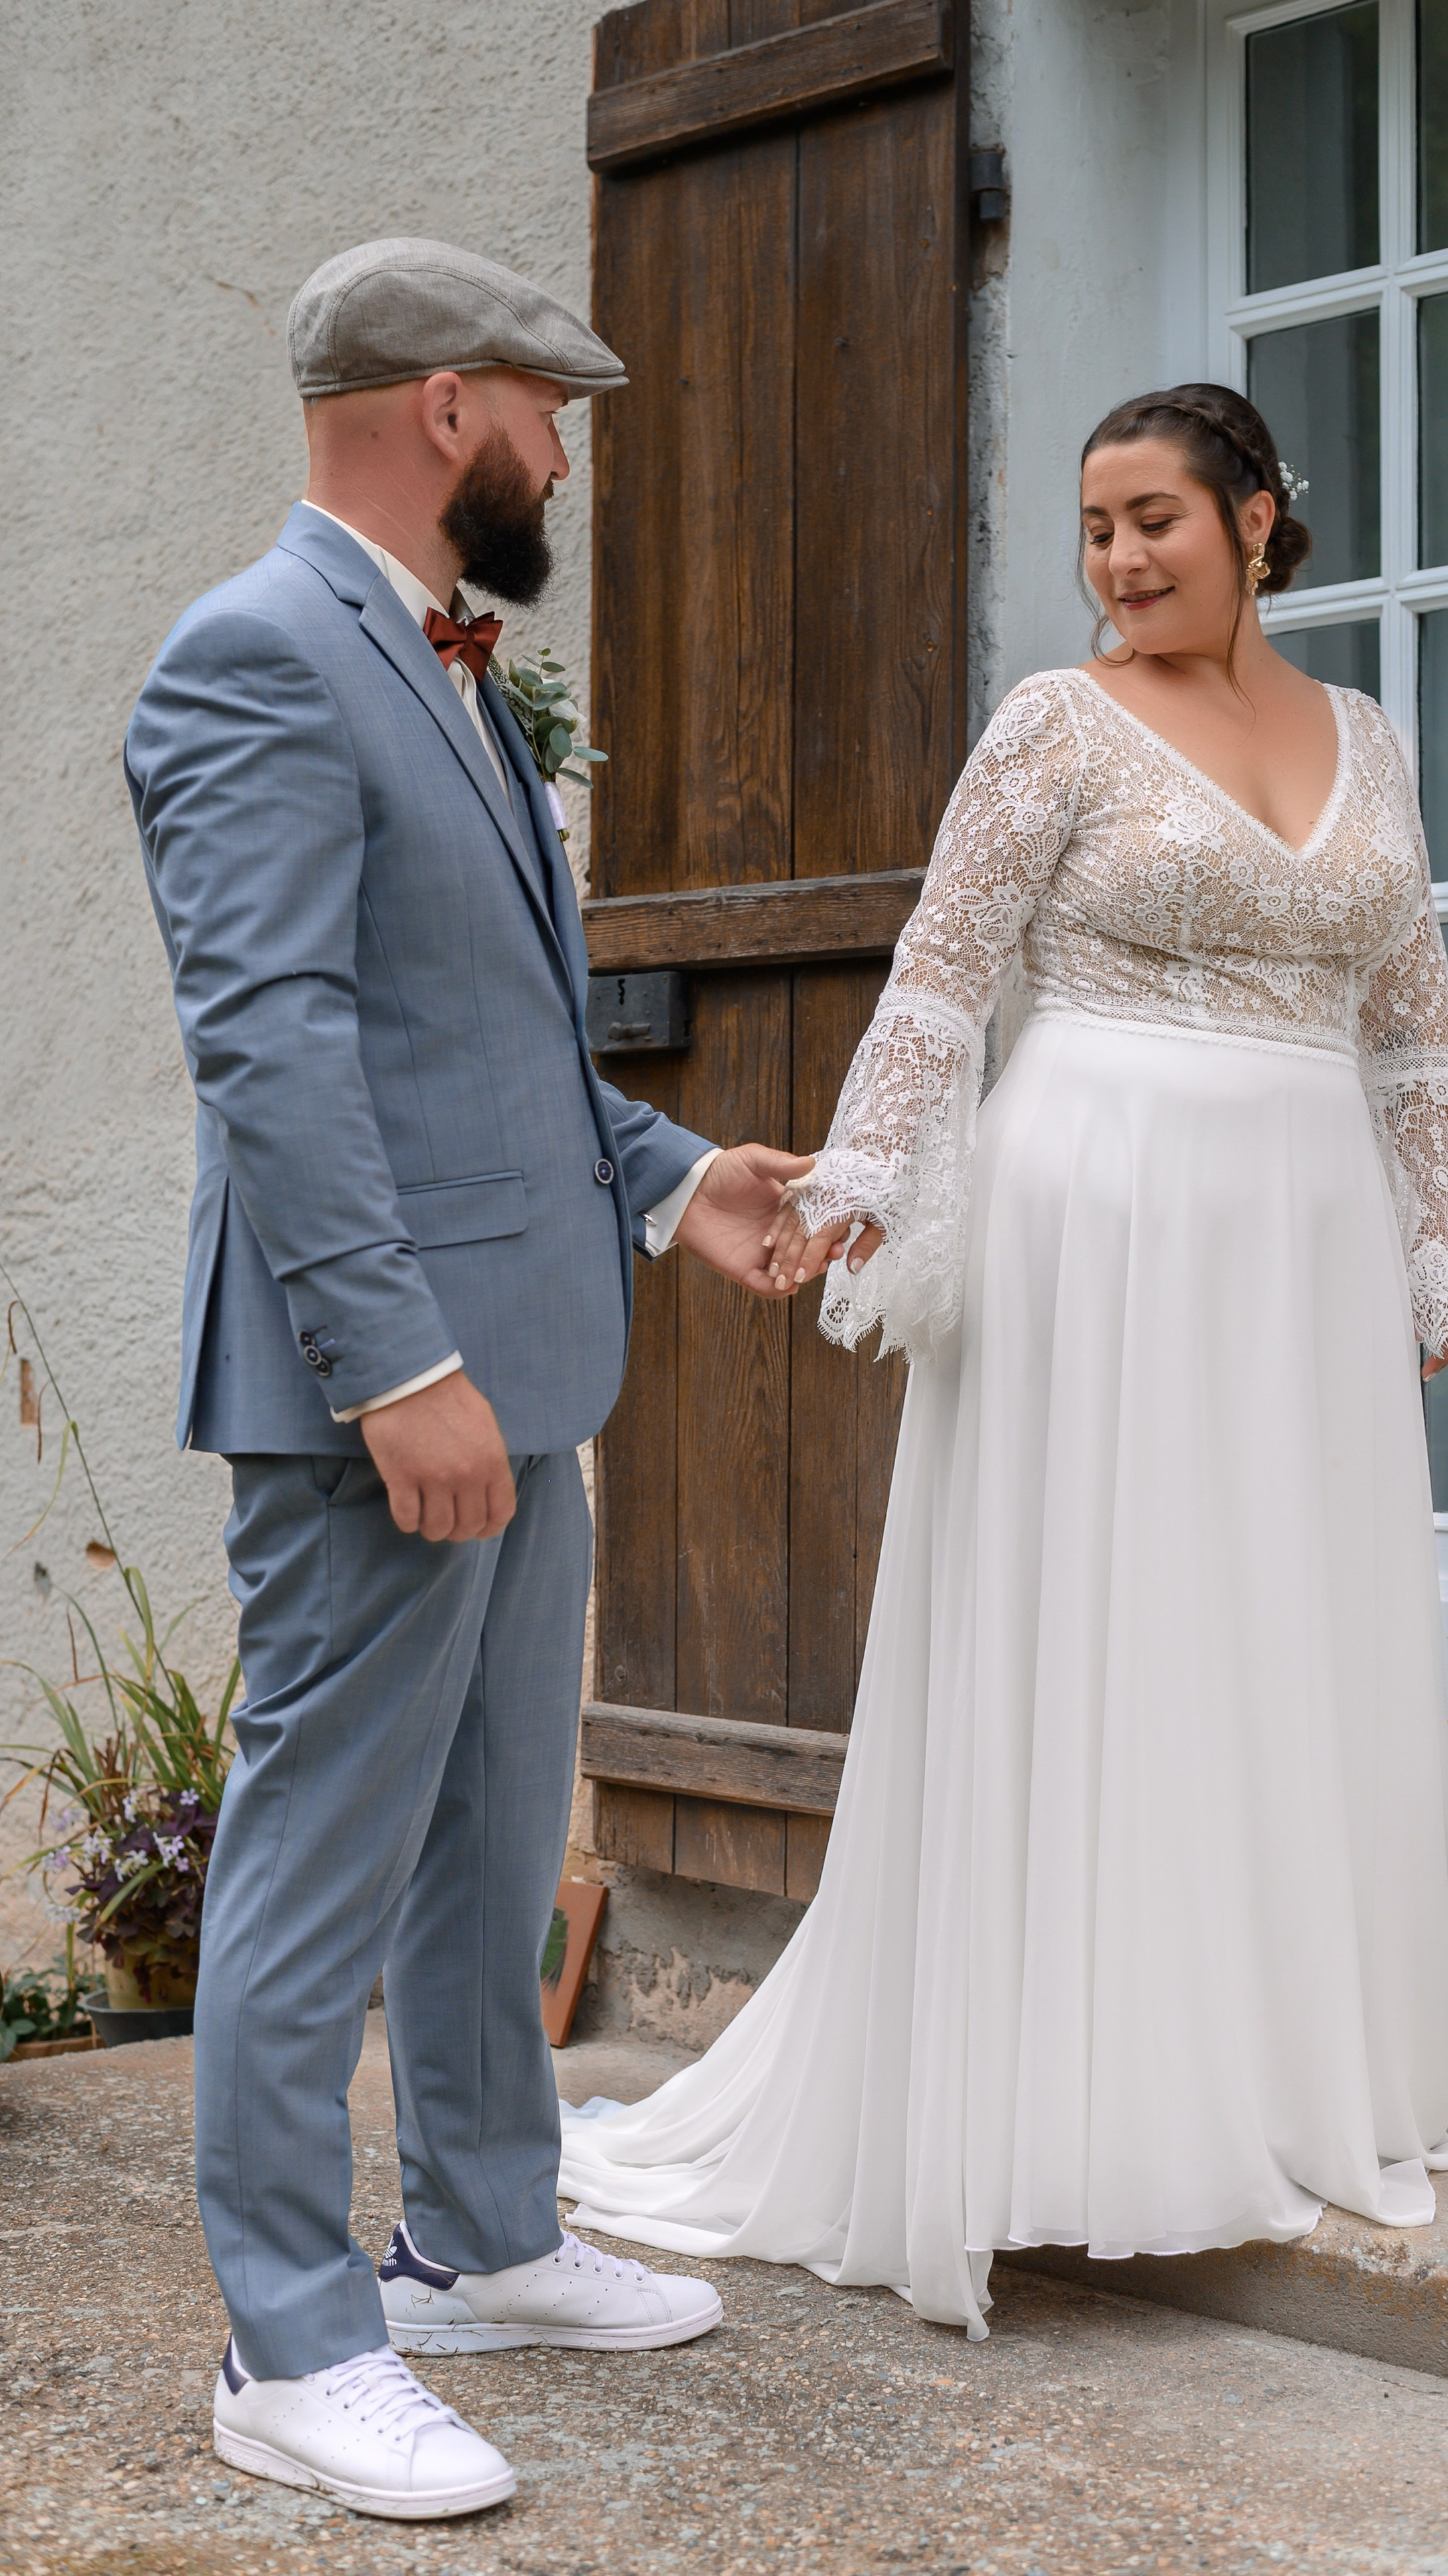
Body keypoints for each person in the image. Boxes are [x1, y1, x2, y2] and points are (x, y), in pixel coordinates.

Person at [555, 383, 1448, 2340]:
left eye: (1155, 516)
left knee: (1276, 1627)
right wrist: (872, 1185)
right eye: (1093, 527)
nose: (1121, 559)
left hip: (1301, 1234)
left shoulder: (1373, 742)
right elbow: (943, 965)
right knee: (1117, 1621)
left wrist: (1441, 1241)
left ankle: (1271, 2062)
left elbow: (1410, 1022)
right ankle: (1076, 2096)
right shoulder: (1054, 724)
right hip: (1104, 1215)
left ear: (1258, 517)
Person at [125, 238, 812, 2520]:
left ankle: (487, 2236)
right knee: (321, 1864)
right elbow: (279, 1052)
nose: (563, 453)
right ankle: (288, 2341)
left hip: (521, 1365)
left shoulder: (446, 665)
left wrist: (680, 1173)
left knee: (497, 1831)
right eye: (549, 409)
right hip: (385, 1387)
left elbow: (485, 1039)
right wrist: (395, 1355)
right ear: (444, 408)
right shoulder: (253, 654)